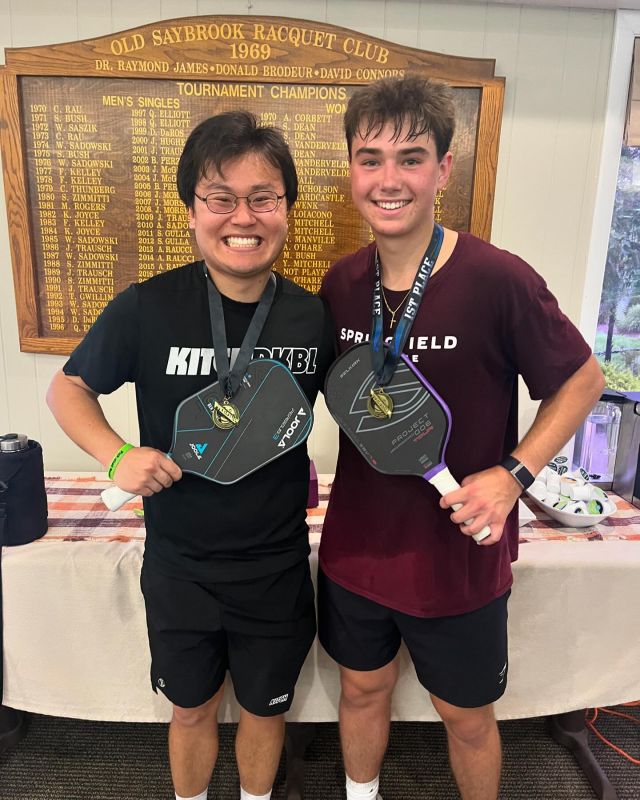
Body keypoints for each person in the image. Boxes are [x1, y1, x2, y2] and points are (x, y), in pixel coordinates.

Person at [318, 76, 605, 800]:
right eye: (371, 159)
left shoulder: (498, 279)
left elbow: (582, 379)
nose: (389, 179)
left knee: (467, 718)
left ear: (443, 169)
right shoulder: (339, 284)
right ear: (351, 170)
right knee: (361, 692)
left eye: (411, 158)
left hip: (459, 557)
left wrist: (513, 475)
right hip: (356, 550)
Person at [46, 111, 335, 800]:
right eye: (221, 198)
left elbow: (364, 408)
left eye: (263, 197)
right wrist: (117, 455)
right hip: (180, 566)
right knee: (191, 710)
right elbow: (68, 388)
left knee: (266, 711)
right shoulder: (146, 307)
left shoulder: (313, 318)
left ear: (286, 210)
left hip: (276, 565)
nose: (244, 217)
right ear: (192, 212)